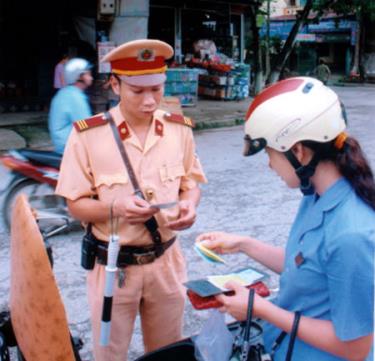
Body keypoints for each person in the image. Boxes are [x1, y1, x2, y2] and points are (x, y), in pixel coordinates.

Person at [197, 77, 374, 360]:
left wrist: (261, 309)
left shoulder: (351, 234)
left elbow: (356, 347)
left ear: (297, 151)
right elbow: (306, 266)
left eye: (269, 154)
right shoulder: (317, 195)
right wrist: (243, 243)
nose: (269, 165)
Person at [55, 39, 207, 361]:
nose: (150, 100)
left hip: (166, 262)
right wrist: (116, 208)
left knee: (167, 354)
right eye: (138, 91)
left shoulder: (179, 130)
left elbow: (190, 184)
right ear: (114, 84)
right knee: (110, 354)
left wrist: (190, 204)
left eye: (157, 88)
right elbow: (75, 204)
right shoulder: (88, 135)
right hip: (113, 266)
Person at [48, 58, 93, 154]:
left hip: (63, 145)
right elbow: (85, 126)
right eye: (88, 74)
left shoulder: (65, 93)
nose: (91, 77)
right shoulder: (75, 97)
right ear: (79, 77)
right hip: (71, 149)